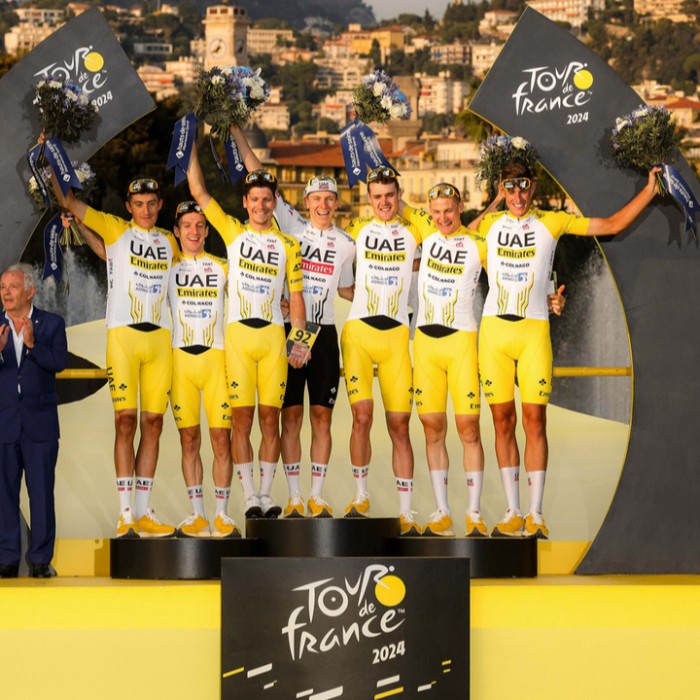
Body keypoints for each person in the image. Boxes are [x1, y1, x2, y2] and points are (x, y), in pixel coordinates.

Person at [473, 159, 660, 538]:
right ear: (503, 190)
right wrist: (494, 199)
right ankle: (512, 511)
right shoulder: (489, 225)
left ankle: (535, 514)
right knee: (502, 421)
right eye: (510, 189)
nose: (518, 197)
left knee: (534, 421)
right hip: (493, 334)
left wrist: (650, 191)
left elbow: (611, 225)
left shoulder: (553, 221)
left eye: (523, 188)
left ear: (533, 187)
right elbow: (465, 232)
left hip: (533, 333)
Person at [401, 184, 565, 537]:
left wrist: (550, 296)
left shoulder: (479, 243)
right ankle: (442, 511)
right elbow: (391, 200)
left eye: (449, 210)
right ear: (429, 211)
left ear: (460, 207)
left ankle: (474, 513)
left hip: (464, 340)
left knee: (469, 429)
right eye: (436, 211)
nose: (442, 217)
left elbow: (517, 269)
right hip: (425, 343)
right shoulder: (425, 229)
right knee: (432, 427)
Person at [230, 126, 355, 518]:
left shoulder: (347, 244)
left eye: (329, 199)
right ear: (306, 202)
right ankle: (295, 495)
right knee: (291, 417)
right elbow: (258, 172)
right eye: (316, 199)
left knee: (322, 417)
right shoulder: (293, 227)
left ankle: (315, 495)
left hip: (325, 332)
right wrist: (237, 130)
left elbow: (349, 290)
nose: (323, 205)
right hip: (291, 332)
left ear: (337, 203)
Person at [53, 175, 177, 538]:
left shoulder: (170, 240)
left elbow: (109, 256)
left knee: (153, 424)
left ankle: (143, 510)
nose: (146, 210)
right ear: (128, 207)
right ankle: (124, 513)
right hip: (123, 335)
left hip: (160, 338)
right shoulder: (116, 227)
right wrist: (51, 162)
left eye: (151, 204)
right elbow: (69, 203)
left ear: (160, 205)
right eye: (138, 204)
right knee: (125, 421)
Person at [186, 141, 305, 519]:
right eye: (255, 200)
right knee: (242, 420)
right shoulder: (232, 232)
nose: (261, 206)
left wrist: (299, 341)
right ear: (245, 203)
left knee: (271, 419)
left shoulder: (289, 244)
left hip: (273, 338)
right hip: (238, 337)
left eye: (267, 200)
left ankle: (267, 495)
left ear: (274, 203)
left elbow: (297, 298)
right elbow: (198, 191)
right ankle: (249, 495)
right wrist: (189, 142)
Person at [342, 166, 431, 535]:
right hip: (359, 333)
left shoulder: (413, 230)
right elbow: (320, 260)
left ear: (399, 195)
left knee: (400, 425)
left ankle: (406, 512)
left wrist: (406, 208)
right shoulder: (356, 229)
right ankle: (360, 497)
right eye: (377, 196)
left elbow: (449, 227)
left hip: (396, 336)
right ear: (368, 198)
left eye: (390, 195)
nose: (383, 202)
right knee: (362, 417)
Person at [168, 201, 239, 538]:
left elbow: (255, 286)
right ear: (176, 231)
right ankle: (197, 515)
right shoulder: (166, 266)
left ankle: (222, 514)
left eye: (199, 225)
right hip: (180, 361)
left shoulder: (222, 266)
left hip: (216, 360)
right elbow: (113, 257)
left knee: (221, 439)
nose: (194, 231)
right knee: (189, 439)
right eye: (187, 226)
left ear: (208, 231)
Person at [0, 264, 67, 578]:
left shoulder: (51, 324)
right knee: (4, 496)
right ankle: (7, 559)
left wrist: (32, 345)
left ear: (30, 292)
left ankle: (40, 560)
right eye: (3, 287)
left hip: (40, 426)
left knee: (41, 494)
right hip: (5, 424)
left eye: (12, 286)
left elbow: (59, 362)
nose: (6, 292)